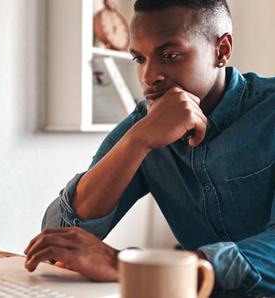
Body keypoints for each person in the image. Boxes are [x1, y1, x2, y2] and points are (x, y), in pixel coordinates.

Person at [25, 0, 275, 296]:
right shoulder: (146, 124)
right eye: (139, 59)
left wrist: (129, 265)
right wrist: (136, 142)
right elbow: (59, 238)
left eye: (170, 55)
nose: (148, 76)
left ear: (221, 51)